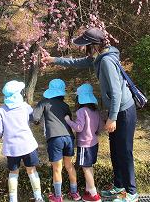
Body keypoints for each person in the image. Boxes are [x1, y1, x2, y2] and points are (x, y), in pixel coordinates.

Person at [43, 27, 138, 202]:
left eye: (86, 45)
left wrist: (113, 117)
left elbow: (116, 92)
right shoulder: (98, 58)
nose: (83, 49)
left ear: (94, 45)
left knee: (124, 151)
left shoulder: (107, 61)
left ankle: (132, 193)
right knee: (115, 150)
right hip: (115, 110)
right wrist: (54, 59)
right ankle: (119, 186)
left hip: (124, 111)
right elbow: (76, 62)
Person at [32, 79, 81, 202]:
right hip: (69, 137)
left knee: (57, 168)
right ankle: (75, 193)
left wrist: (38, 121)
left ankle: (58, 196)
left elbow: (35, 118)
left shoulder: (44, 103)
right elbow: (69, 118)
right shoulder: (65, 105)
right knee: (69, 166)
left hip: (55, 138)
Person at [0, 80, 44, 202]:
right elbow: (34, 118)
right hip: (28, 145)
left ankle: (13, 199)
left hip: (11, 148)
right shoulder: (25, 106)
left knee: (13, 172)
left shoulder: (0, 110)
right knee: (31, 170)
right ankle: (38, 197)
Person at [64, 83, 104, 202]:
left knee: (85, 168)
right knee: (89, 166)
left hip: (84, 145)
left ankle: (93, 194)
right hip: (94, 143)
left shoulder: (82, 111)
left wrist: (68, 121)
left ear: (79, 98)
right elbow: (100, 126)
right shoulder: (95, 110)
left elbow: (79, 128)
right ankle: (88, 189)